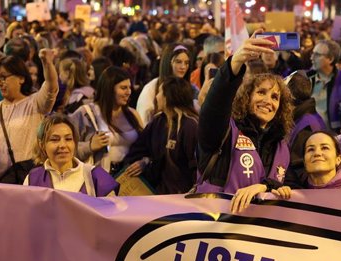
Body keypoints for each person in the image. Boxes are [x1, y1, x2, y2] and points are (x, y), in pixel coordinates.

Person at [195, 32, 293, 213]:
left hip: (258, 235)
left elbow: (290, 188)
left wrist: (265, 187)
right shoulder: (224, 131)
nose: (268, 101)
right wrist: (235, 63)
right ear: (246, 98)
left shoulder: (282, 146)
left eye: (275, 97)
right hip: (215, 230)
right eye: (261, 92)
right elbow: (215, 106)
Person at [0, 49, 59, 182]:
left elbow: (51, 87)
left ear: (21, 78)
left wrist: (46, 62)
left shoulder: (35, 103)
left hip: (25, 180)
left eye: (4, 77)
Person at [122, 77, 198, 194]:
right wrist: (144, 162)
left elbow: (197, 168)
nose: (157, 97)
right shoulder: (158, 121)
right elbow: (138, 151)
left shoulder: (190, 125)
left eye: (160, 92)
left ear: (169, 96)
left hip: (183, 199)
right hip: (158, 195)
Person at [70, 66, 142, 176]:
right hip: (99, 181)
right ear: (109, 89)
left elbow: (146, 147)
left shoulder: (133, 114)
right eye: (123, 88)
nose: (129, 92)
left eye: (129, 87)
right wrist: (89, 146)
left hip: (130, 181)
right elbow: (67, 148)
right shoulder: (86, 113)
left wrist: (143, 162)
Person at [24, 114, 118, 196]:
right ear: (42, 145)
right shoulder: (33, 179)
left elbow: (113, 213)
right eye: (55, 139)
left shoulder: (96, 176)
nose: (62, 145)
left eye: (68, 139)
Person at [136, 44, 195, 126]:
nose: (183, 67)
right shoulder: (151, 88)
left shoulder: (188, 87)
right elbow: (144, 120)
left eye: (186, 63)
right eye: (178, 62)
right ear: (168, 62)